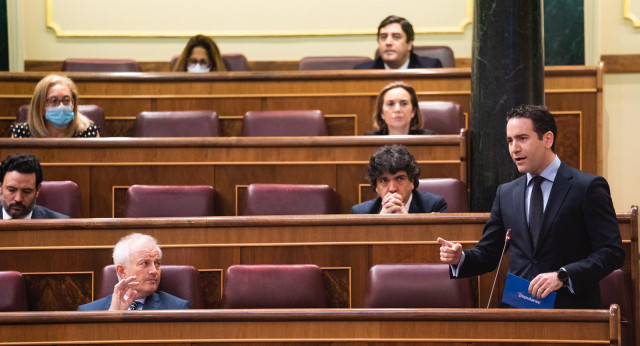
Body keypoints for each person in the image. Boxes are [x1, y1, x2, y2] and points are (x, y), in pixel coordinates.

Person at [438, 104, 624, 309]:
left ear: (547, 139)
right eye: (510, 140)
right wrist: (460, 257)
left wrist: (563, 275)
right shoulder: (506, 193)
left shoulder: (587, 187)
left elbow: (611, 252)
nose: (514, 148)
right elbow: (490, 253)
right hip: (517, 312)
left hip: (570, 312)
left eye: (522, 138)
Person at [78, 233, 190, 311]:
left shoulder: (178, 308)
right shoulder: (88, 311)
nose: (153, 271)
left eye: (157, 264)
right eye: (144, 263)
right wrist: (112, 318)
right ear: (122, 271)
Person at [351, 144, 447, 214]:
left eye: (400, 179)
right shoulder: (361, 212)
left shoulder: (434, 206)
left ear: (412, 182)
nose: (392, 189)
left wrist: (407, 222)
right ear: (376, 187)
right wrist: (379, 224)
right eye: (384, 180)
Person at [10, 75, 99, 138]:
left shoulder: (88, 133)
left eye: (66, 100)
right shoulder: (21, 134)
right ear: (40, 107)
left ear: (73, 104)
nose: (61, 106)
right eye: (54, 101)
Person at [354, 15, 443, 70]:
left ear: (409, 44)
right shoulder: (362, 71)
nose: (388, 42)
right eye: (383, 37)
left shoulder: (430, 67)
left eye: (396, 37)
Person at [0, 153, 68, 219]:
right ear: (0, 187)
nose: (18, 199)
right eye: (12, 190)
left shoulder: (62, 225)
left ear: (37, 190)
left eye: (26, 191)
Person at [365, 81, 434, 135]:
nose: (397, 109)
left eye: (404, 104)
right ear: (382, 113)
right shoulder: (369, 142)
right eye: (390, 104)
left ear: (413, 111)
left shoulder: (429, 139)